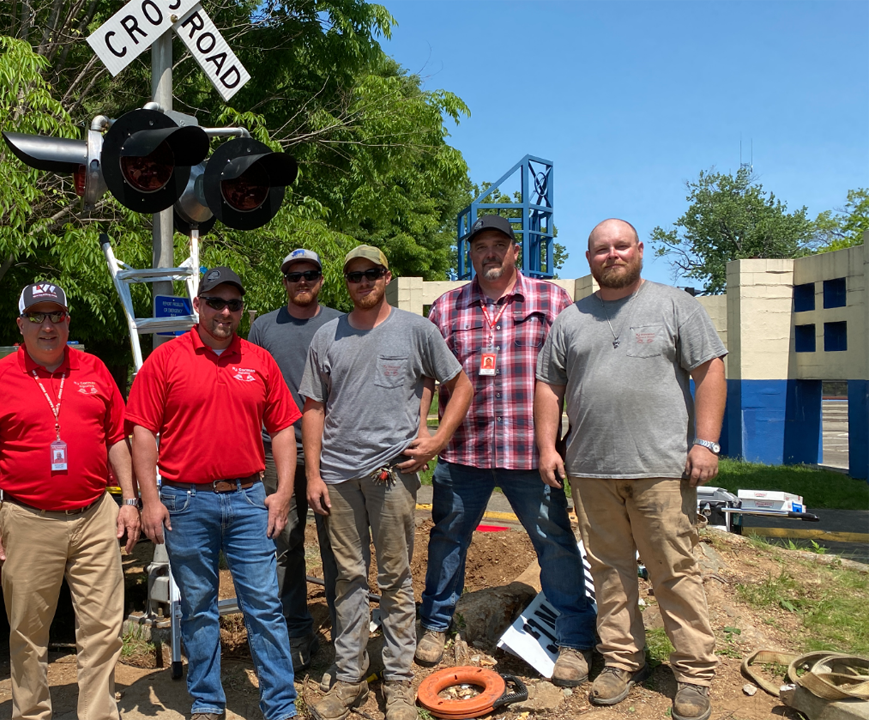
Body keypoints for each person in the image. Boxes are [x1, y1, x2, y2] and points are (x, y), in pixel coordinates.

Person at [534, 219, 726, 720]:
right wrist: (546, 448)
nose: (612, 255)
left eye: (621, 246)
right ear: (589, 258)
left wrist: (705, 442)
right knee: (610, 572)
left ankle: (694, 673)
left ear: (639, 250)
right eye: (601, 249)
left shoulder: (675, 305)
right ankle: (622, 661)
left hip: (662, 468)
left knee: (673, 571)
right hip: (591, 470)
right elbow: (549, 387)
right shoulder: (571, 320)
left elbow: (709, 370)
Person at [419, 215, 597, 686]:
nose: (490, 253)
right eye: (481, 246)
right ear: (471, 254)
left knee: (554, 544)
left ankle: (575, 640)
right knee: (447, 540)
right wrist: (423, 432)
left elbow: (573, 374)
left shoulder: (551, 299)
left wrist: (565, 442)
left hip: (530, 453)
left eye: (500, 245)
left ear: (516, 251)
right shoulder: (447, 307)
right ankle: (435, 624)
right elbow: (427, 376)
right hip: (464, 452)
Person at [300, 246, 473, 720]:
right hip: (338, 477)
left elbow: (460, 384)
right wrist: (313, 474)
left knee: (396, 579)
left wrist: (438, 438)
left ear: (386, 276)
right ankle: (350, 678)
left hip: (392, 475)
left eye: (371, 273)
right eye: (354, 275)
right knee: (348, 580)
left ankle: (397, 682)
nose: (362, 282)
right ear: (346, 282)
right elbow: (312, 408)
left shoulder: (416, 331)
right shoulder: (325, 337)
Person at [128, 267, 301, 720]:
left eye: (234, 304)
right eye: (216, 302)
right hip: (186, 502)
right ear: (197, 305)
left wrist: (282, 492)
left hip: (248, 500)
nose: (225, 312)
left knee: (263, 604)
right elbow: (142, 431)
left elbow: (283, 428)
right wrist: (149, 498)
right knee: (199, 606)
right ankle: (208, 700)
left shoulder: (259, 361)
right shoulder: (165, 360)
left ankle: (280, 706)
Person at [0, 283, 139, 720]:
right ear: (21, 324)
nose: (48, 326)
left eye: (56, 316)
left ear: (67, 322)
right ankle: (31, 714)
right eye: (38, 317)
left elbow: (116, 437)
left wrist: (129, 500)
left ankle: (99, 713)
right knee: (27, 632)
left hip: (95, 513)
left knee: (103, 628)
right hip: (26, 518)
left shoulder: (94, 370)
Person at [246, 248, 343, 672]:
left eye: (309, 274)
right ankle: (296, 632)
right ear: (284, 281)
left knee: (338, 548)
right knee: (284, 547)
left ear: (321, 280)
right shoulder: (262, 327)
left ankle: (346, 634)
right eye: (294, 275)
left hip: (335, 454)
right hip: (275, 454)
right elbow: (248, 388)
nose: (302, 281)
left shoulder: (341, 323)